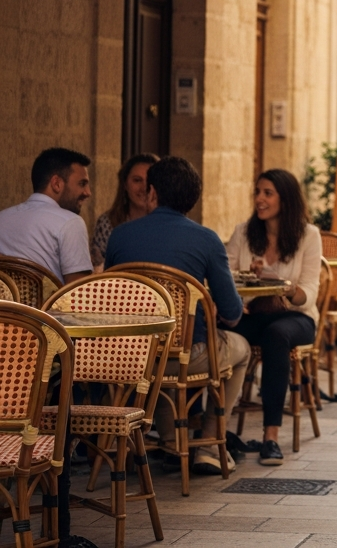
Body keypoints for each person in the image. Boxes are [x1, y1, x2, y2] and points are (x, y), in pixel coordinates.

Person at [105, 156, 250, 474]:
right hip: (182, 356)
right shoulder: (207, 239)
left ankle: (171, 441)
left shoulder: (119, 236)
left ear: (152, 193)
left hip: (129, 357)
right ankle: (210, 444)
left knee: (163, 345)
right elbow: (233, 313)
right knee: (240, 348)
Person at [224, 169, 321, 466]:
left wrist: (285, 287)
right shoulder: (243, 233)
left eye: (267, 193)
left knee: (276, 336)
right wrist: (244, 286)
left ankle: (271, 437)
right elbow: (225, 276)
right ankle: (208, 430)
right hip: (253, 313)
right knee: (209, 325)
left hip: (295, 316)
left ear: (286, 198)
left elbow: (309, 293)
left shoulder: (308, 235)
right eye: (257, 192)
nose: (259, 200)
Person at [0, 147, 94, 283]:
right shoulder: (70, 222)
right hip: (47, 305)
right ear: (56, 184)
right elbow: (79, 293)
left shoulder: (2, 218)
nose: (87, 192)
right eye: (82, 184)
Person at [91, 153, 158, 271]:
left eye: (150, 181)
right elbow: (99, 272)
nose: (144, 188)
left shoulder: (168, 223)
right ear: (125, 184)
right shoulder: (107, 222)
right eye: (137, 180)